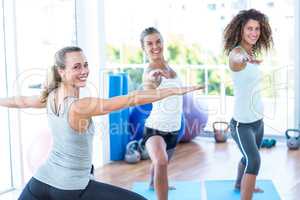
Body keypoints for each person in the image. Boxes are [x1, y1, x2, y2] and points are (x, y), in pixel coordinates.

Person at [0, 46, 202, 200]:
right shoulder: (80, 106)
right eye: (76, 67)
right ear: (61, 71)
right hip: (71, 187)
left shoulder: (51, 96)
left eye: (85, 64)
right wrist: (173, 90)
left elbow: (22, 101)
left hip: (41, 181)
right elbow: (131, 98)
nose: (84, 70)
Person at [140, 27, 201, 200]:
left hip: (174, 128)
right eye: (149, 43)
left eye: (158, 41)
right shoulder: (149, 70)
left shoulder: (168, 66)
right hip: (154, 129)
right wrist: (153, 79)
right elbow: (149, 86)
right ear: (143, 48)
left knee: (161, 163)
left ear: (163, 43)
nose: (155, 46)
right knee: (161, 161)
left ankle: (153, 183)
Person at [223, 9, 273, 200]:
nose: (254, 33)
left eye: (257, 29)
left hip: (257, 121)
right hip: (241, 124)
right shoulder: (237, 52)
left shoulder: (251, 50)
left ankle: (239, 183)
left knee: (247, 156)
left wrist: (249, 58)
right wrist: (244, 59)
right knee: (254, 161)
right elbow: (235, 59)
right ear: (240, 30)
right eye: (249, 29)